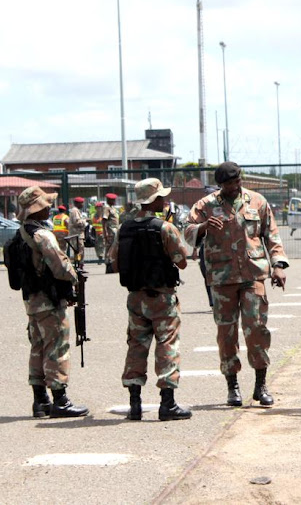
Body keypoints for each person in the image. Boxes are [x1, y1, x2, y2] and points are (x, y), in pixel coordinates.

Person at [184, 162, 288, 407]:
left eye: (237, 181)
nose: (235, 186)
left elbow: (271, 235)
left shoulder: (257, 201)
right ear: (221, 185)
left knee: (257, 329)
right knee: (226, 334)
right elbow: (187, 232)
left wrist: (279, 265)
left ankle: (261, 385)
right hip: (222, 278)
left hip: (253, 275)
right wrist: (202, 227)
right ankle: (232, 387)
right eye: (229, 183)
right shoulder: (205, 205)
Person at [107, 178, 192, 421]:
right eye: (161, 197)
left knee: (136, 345)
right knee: (167, 344)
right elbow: (182, 261)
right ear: (154, 200)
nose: (164, 201)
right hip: (162, 298)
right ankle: (168, 404)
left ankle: (135, 404)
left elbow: (114, 261)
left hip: (135, 297)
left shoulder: (124, 229)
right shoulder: (164, 228)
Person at [15, 186, 90, 419]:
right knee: (56, 346)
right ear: (36, 210)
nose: (49, 209)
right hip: (48, 300)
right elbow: (60, 267)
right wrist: (76, 276)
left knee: (38, 347)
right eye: (45, 206)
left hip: (32, 299)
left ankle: (40, 401)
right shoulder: (42, 235)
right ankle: (60, 400)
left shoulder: (21, 234)